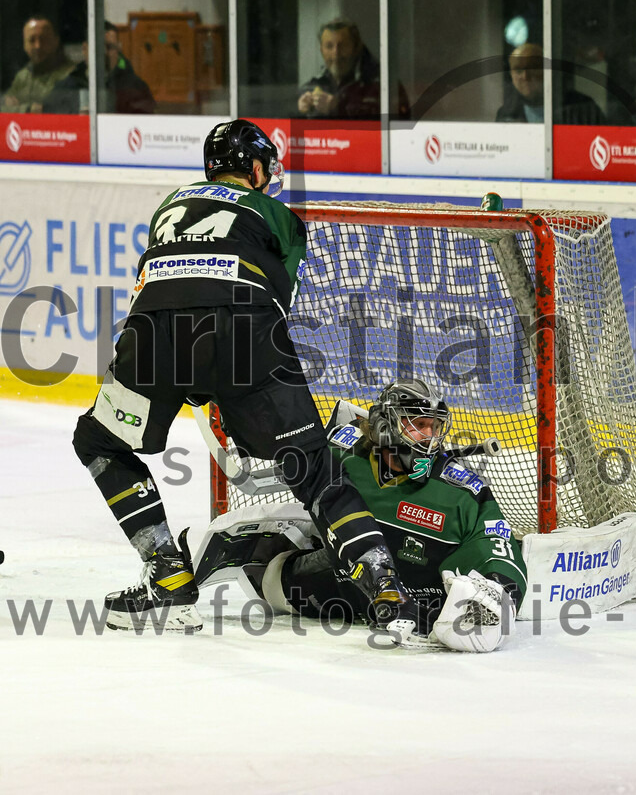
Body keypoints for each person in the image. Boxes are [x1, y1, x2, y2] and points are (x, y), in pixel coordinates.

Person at [72, 119, 428, 645]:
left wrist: (196, 374)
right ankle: (385, 585)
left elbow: (169, 277)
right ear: (258, 169)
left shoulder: (169, 203)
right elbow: (279, 298)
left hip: (155, 328)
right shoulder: (277, 214)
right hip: (245, 327)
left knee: (99, 440)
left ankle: (168, 574)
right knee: (311, 464)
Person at [191, 379, 527, 652]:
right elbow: (293, 450)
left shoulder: (461, 492)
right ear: (385, 425)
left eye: (434, 428)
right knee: (273, 580)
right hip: (338, 588)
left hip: (423, 611)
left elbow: (498, 547)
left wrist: (500, 592)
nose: (429, 437)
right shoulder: (341, 458)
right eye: (418, 426)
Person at [296, 18, 408, 120]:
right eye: (329, 46)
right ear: (321, 50)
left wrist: (339, 107)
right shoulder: (315, 84)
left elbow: (399, 120)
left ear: (356, 47)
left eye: (343, 46)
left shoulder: (382, 82)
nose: (336, 54)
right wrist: (302, 109)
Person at [43, 21, 156, 114]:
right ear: (84, 49)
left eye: (110, 47)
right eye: (98, 47)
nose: (104, 53)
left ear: (118, 51)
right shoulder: (66, 88)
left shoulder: (135, 89)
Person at [495, 42, 604, 125]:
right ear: (511, 75)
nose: (525, 76)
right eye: (518, 70)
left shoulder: (584, 108)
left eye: (533, 68)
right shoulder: (506, 114)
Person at [2, 16, 76, 113]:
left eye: (44, 39)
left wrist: (19, 109)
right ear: (24, 45)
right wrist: (29, 109)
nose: (38, 46)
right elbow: (4, 106)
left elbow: (49, 111)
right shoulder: (23, 76)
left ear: (56, 41)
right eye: (32, 40)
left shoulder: (70, 76)